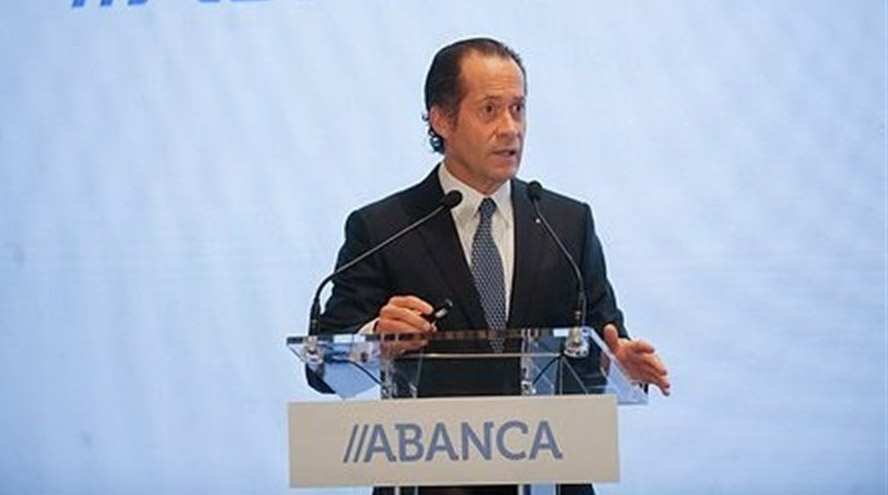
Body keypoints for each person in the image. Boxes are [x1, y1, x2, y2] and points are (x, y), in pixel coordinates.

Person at [311, 37, 670, 495]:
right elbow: (321, 367)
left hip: (549, 481)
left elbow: (604, 336)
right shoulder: (383, 227)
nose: (510, 128)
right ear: (441, 119)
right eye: (490, 110)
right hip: (431, 485)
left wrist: (619, 365)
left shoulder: (567, 223)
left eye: (518, 109)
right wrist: (374, 338)